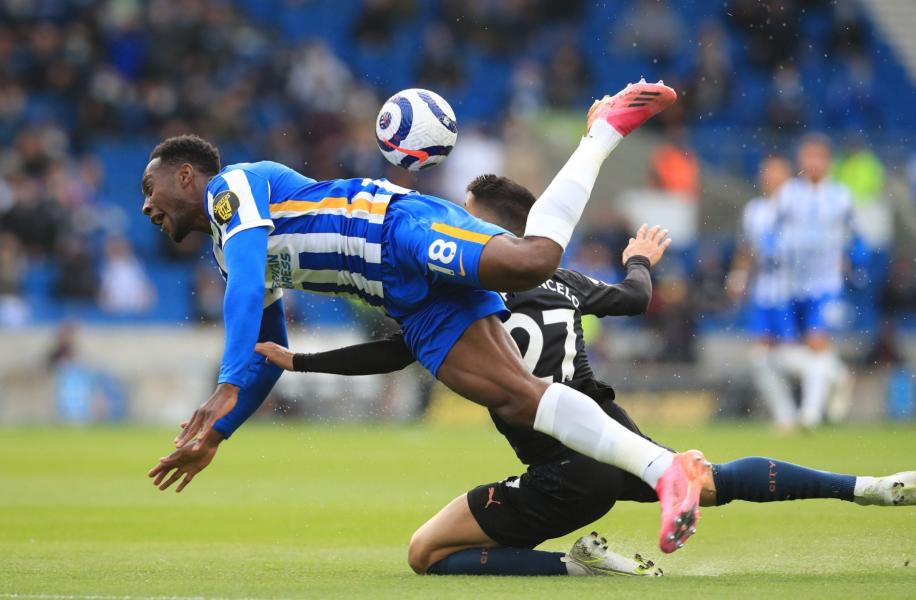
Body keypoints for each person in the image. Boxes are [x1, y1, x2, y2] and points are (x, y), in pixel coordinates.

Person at [257, 174, 916, 577]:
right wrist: (639, 258)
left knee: (425, 553)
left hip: (563, 467)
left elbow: (396, 351)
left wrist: (304, 361)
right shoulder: (561, 274)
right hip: (615, 434)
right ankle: (865, 487)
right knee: (707, 476)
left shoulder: (454, 292)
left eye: (463, 217)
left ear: (478, 227)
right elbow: (638, 299)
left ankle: (571, 564)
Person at [143, 81, 711, 554]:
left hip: (397, 229)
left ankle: (602, 132)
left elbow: (245, 287)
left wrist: (224, 386)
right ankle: (666, 472)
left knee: (534, 261)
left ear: (187, 177)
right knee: (518, 396)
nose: (146, 204)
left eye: (152, 188)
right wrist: (219, 431)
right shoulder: (226, 253)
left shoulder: (232, 187)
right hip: (407, 302)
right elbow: (266, 357)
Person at [777, 135, 855, 428]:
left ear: (828, 161)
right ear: (801, 161)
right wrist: (776, 252)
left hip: (825, 283)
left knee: (816, 342)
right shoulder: (789, 194)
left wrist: (852, 258)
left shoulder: (840, 196)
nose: (813, 163)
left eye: (819, 157)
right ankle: (838, 376)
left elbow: (855, 236)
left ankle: (809, 414)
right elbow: (774, 232)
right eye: (808, 156)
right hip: (793, 284)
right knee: (789, 351)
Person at [727, 156, 797, 430]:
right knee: (759, 358)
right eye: (765, 172)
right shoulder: (754, 210)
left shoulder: (798, 206)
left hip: (793, 292)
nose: (768, 177)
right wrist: (738, 277)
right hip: (764, 293)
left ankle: (832, 374)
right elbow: (747, 249)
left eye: (775, 172)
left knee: (791, 358)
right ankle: (786, 417)